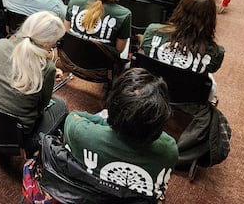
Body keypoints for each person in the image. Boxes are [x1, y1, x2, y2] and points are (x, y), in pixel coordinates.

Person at [63, 68, 177, 200]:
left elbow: (74, 116)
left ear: (112, 105)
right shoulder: (169, 149)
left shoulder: (80, 131)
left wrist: (104, 119)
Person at [0, 11, 69, 154]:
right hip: (13, 140)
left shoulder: (0, 44)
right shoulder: (46, 69)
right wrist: (47, 82)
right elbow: (41, 107)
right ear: (47, 44)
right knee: (60, 104)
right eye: (54, 44)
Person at [140, 0, 224, 97]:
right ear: (211, 19)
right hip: (185, 103)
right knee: (211, 83)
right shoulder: (216, 53)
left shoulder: (152, 31)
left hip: (147, 95)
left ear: (179, 9)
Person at [65, 0, 131, 57]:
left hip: (71, 60)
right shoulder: (124, 14)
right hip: (100, 68)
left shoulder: (75, 0)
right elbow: (119, 49)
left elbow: (67, 32)